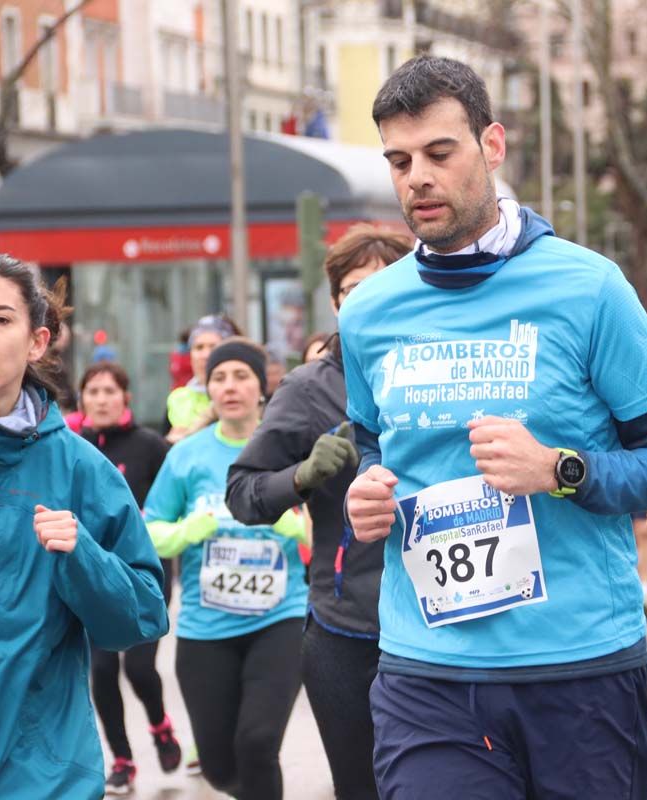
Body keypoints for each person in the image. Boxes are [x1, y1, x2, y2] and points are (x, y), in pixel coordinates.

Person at [340, 55, 647, 799]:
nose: (418, 178)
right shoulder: (369, 312)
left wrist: (561, 470)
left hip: (577, 667)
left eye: (440, 153)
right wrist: (365, 488)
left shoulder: (590, 287)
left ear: (493, 146)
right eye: (400, 161)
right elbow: (369, 439)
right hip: (427, 671)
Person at [0, 254, 168, 798]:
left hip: (39, 777)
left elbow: (142, 617)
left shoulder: (82, 469)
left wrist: (84, 559)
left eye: (0, 319)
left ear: (38, 342)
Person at [227, 224, 413, 800]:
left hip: (442, 624)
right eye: (356, 287)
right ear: (336, 302)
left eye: (388, 283)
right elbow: (243, 491)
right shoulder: (308, 388)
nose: (372, 297)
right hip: (348, 628)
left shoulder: (447, 369)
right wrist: (305, 474)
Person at [143, 339, 308, 800]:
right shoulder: (187, 456)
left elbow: (332, 533)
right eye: (219, 377)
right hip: (205, 628)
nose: (229, 386)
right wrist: (189, 531)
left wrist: (296, 528)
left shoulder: (291, 450)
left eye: (241, 376)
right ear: (208, 389)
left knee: (257, 743)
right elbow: (149, 530)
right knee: (218, 766)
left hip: (280, 619)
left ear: (262, 387)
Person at [76, 362, 182, 794]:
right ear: (82, 398)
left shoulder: (150, 446)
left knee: (139, 668)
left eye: (109, 391)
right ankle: (121, 758)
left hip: (143, 572)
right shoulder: (72, 446)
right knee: (101, 670)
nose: (100, 399)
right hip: (93, 574)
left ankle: (159, 724)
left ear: (126, 398)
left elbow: (173, 500)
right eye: (93, 391)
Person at [165, 314, 237, 443]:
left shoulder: (242, 393)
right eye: (199, 347)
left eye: (213, 346)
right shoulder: (177, 398)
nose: (205, 355)